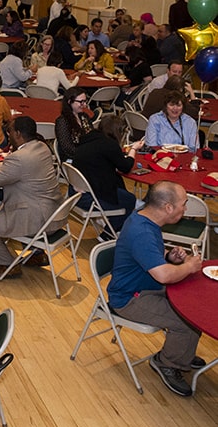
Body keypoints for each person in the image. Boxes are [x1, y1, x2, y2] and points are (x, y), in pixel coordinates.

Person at [106, 180, 204, 397]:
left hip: (143, 286)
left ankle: (181, 352)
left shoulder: (145, 219)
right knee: (187, 321)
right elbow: (163, 275)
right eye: (183, 204)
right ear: (168, 208)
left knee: (192, 306)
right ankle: (167, 362)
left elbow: (148, 258)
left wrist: (168, 256)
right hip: (130, 298)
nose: (185, 209)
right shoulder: (142, 232)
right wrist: (188, 266)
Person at [0, 116, 62, 277]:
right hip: (53, 214)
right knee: (12, 207)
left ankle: (7, 265)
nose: (8, 135)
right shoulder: (41, 147)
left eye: (10, 132)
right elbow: (19, 169)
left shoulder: (19, 157)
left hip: (35, 220)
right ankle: (37, 254)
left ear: (18, 134)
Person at [72, 114, 141, 232]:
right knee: (130, 200)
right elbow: (126, 167)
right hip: (91, 197)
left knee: (118, 183)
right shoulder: (109, 145)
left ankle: (114, 223)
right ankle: (109, 232)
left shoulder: (88, 139)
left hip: (76, 191)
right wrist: (133, 149)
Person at [55, 87, 93, 161]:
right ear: (69, 102)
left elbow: (92, 136)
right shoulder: (62, 122)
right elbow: (68, 149)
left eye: (85, 101)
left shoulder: (84, 116)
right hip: (73, 159)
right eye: (81, 102)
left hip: (87, 154)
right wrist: (88, 154)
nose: (84, 105)